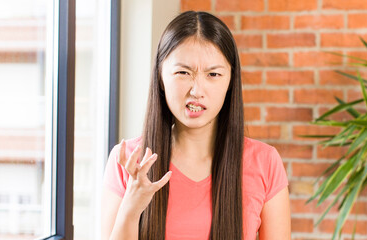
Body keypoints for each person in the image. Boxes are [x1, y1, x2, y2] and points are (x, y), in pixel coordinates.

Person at [101, 11, 290, 240]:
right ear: (161, 77)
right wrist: (131, 209)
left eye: (213, 74)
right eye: (183, 72)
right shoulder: (128, 162)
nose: (196, 91)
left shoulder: (265, 162)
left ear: (230, 80)